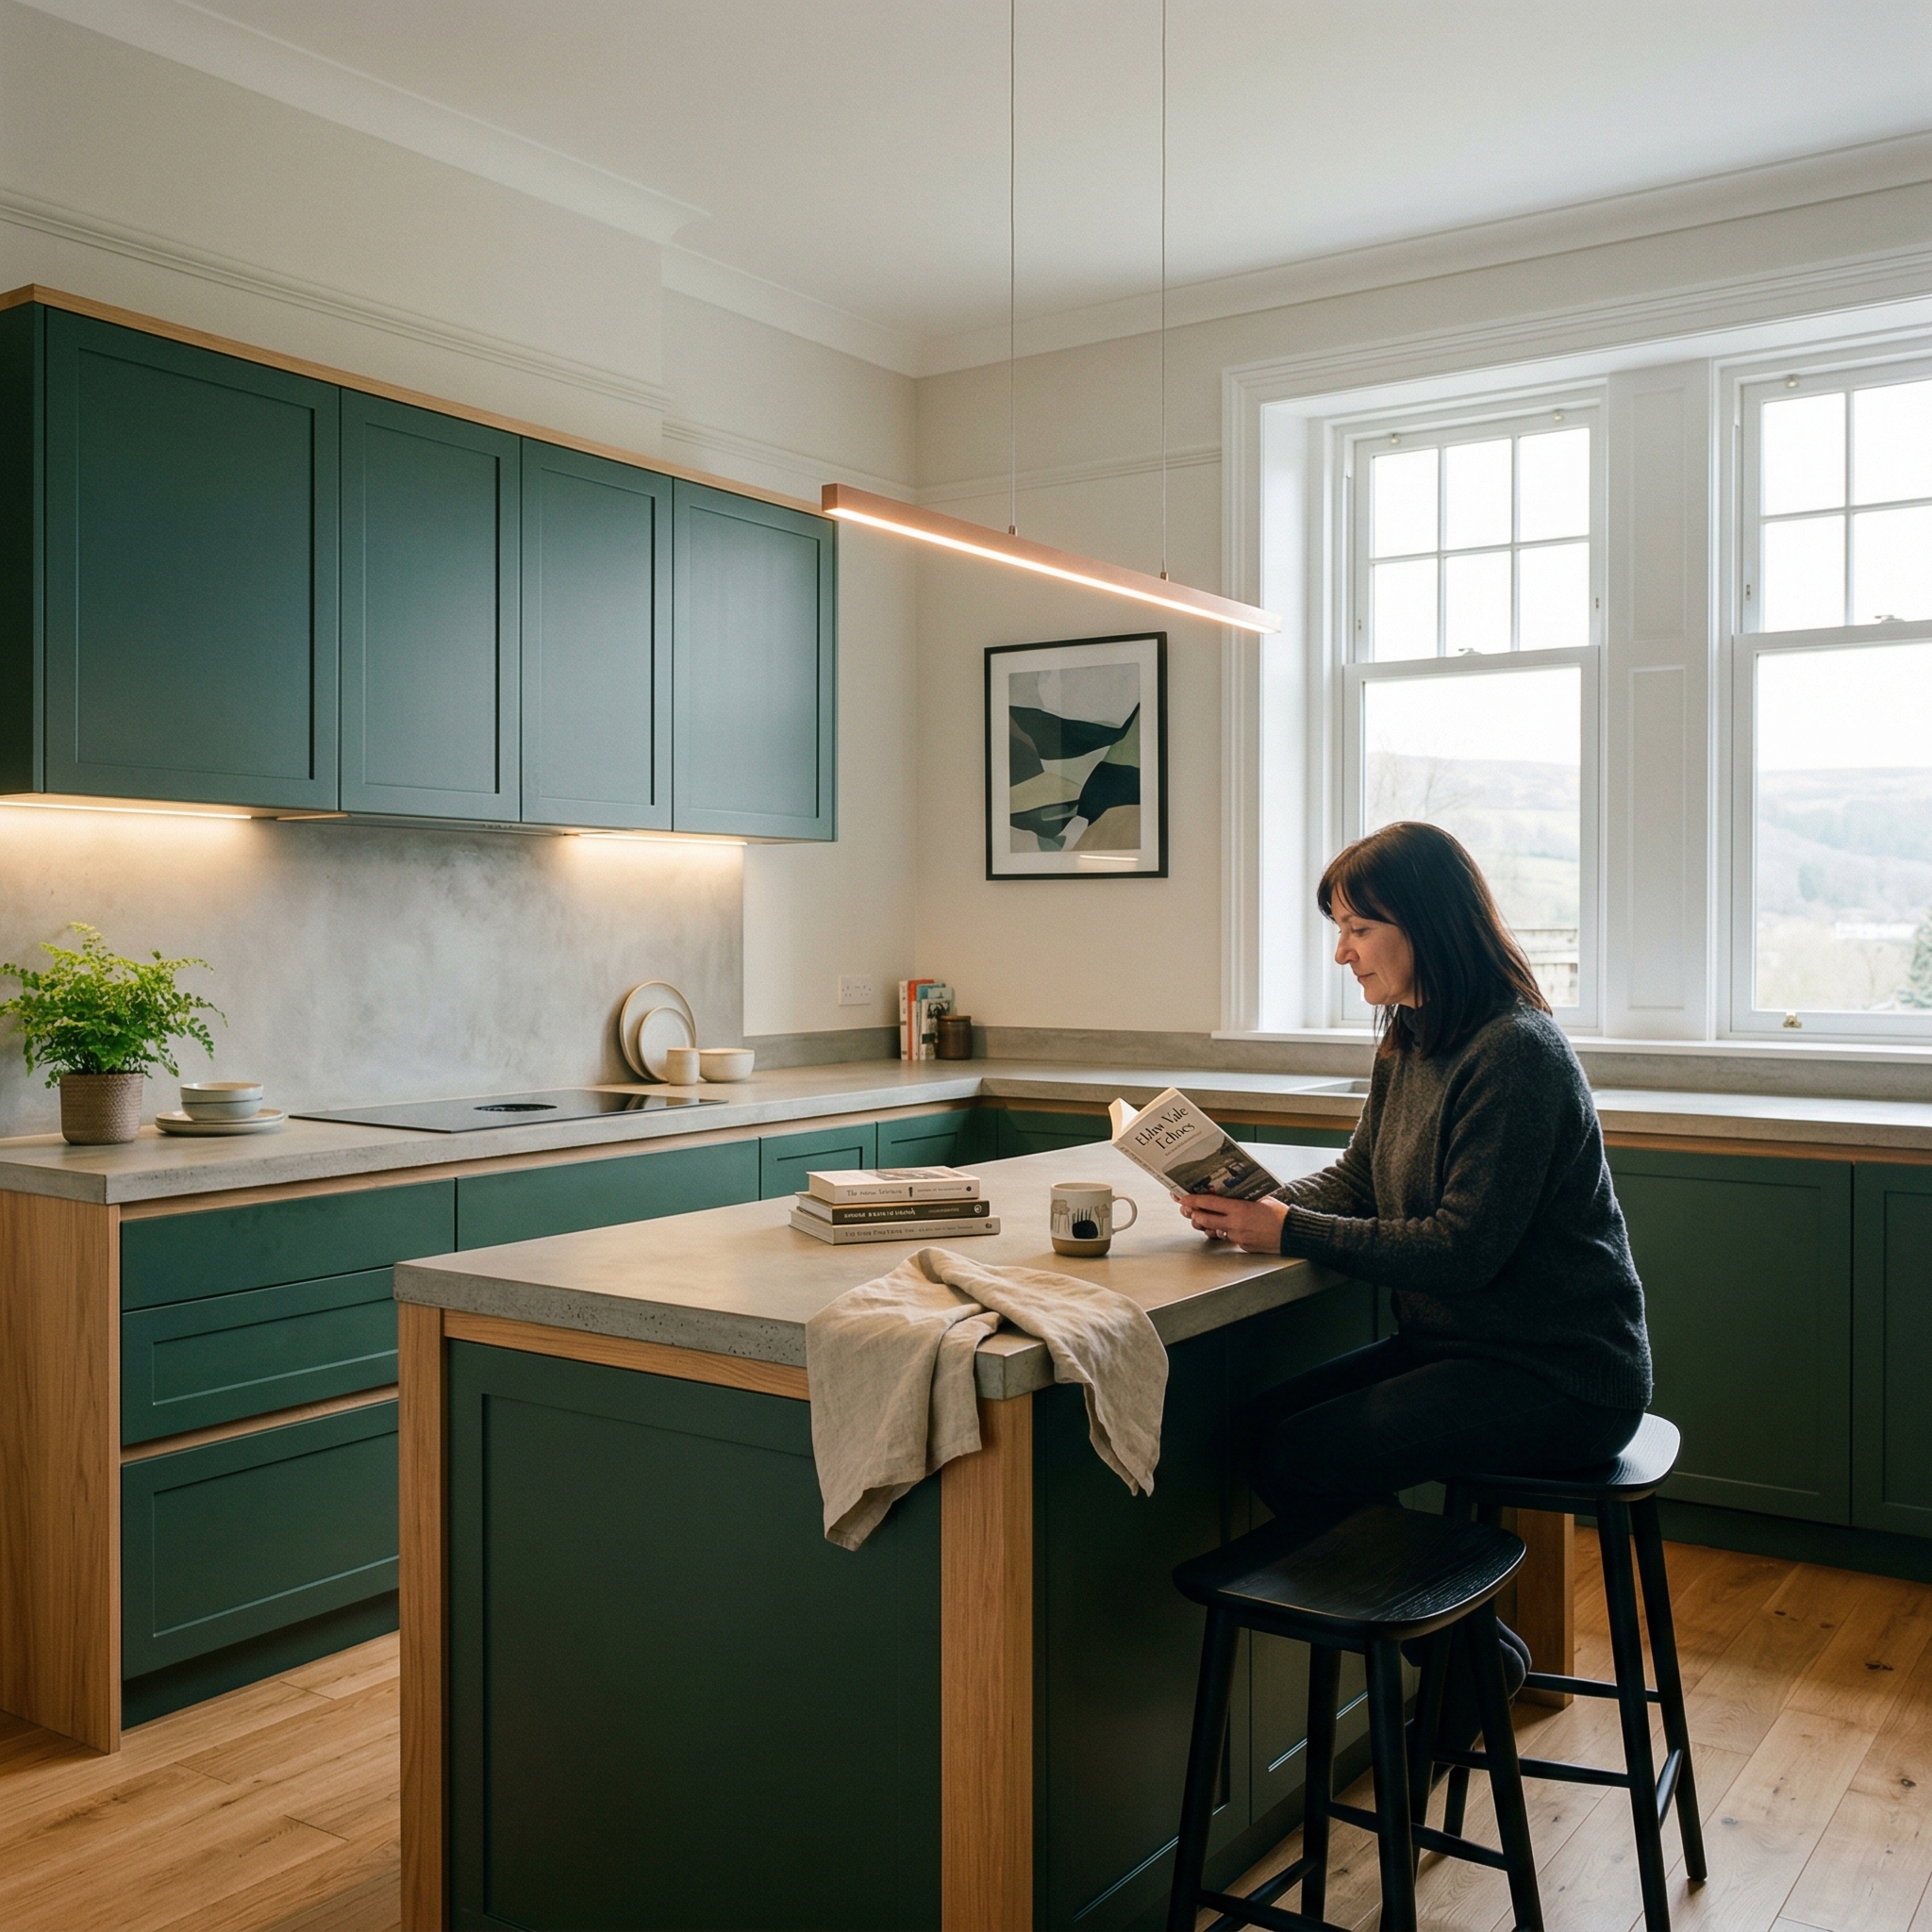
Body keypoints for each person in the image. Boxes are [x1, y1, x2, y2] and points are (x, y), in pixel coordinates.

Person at [1178, 821, 1652, 1719]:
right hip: (1462, 1348)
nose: (1342, 952)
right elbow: (1361, 1178)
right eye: (1340, 928)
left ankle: (1470, 1667)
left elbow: (1462, 1250)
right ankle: (1476, 1658)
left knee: (1305, 1456)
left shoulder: (1515, 1051)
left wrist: (1290, 1232)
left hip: (1561, 1377)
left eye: (1358, 928)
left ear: (1427, 924)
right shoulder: (1411, 1036)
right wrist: (1256, 1203)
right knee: (1260, 1432)